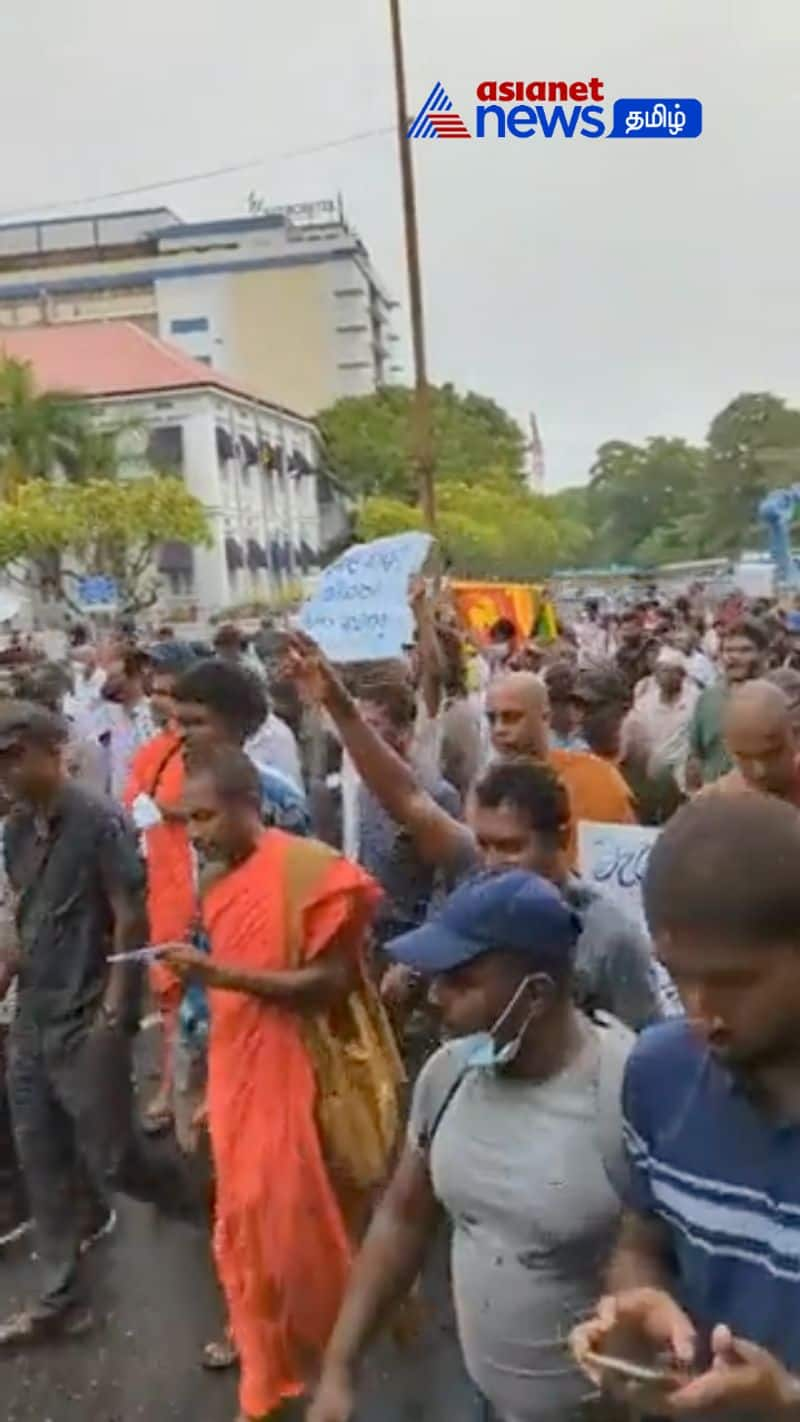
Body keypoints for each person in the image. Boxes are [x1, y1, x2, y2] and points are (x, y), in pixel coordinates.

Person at [309, 869, 633, 1422]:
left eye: (461, 981)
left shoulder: (627, 1090)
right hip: (486, 1399)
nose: (435, 996)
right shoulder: (449, 1073)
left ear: (535, 995)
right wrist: (340, 1368)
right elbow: (403, 1220)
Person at [161, 747, 399, 1422]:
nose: (197, 833)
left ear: (250, 805)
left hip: (301, 1073)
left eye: (206, 817)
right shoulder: (214, 882)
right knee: (242, 1230)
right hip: (237, 1070)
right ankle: (267, 1377)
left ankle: (334, 1367)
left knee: (297, 1231)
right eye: (187, 821)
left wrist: (221, 975)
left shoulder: (312, 872)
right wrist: (203, 1079)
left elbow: (331, 984)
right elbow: (222, 1002)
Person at [284, 637, 658, 1030]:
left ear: (561, 841)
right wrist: (339, 706)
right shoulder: (476, 874)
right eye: (485, 843)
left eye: (512, 847)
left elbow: (639, 1054)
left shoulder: (607, 938)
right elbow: (407, 797)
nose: (494, 861)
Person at [571, 794, 800, 1419]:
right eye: (678, 973)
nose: (701, 1011)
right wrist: (638, 1300)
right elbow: (645, 1239)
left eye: (734, 981)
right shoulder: (658, 1072)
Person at [0, 703, 197, 1344]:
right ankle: (61, 1297)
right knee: (41, 1157)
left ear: (49, 749)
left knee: (115, 1158)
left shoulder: (98, 819)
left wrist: (118, 1010)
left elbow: (130, 915)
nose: (4, 769)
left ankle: (215, 1212)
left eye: (11, 754)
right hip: (33, 1017)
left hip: (89, 1013)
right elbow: (24, 924)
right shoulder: (16, 831)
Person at [356, 679, 461, 945]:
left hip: (412, 935)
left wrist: (422, 954)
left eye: (373, 726)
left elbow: (447, 882)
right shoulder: (365, 785)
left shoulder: (436, 794)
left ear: (403, 732)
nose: (360, 735)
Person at [685, 616, 768, 789]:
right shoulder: (708, 699)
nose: (734, 657)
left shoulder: (780, 697)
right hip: (717, 804)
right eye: (729, 650)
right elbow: (696, 757)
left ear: (763, 654)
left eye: (745, 650)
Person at [703, 678, 800, 805]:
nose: (760, 771)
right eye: (744, 757)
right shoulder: (717, 803)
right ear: (728, 747)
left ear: (794, 736)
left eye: (770, 755)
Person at [624, 646, 698, 796]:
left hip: (684, 776)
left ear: (682, 675)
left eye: (673, 671)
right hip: (652, 773)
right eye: (663, 670)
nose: (668, 676)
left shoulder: (696, 701)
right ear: (656, 674)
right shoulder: (644, 703)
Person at [100, 648, 157, 799]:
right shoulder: (110, 716)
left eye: (115, 677)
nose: (108, 684)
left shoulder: (150, 717)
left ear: (134, 677)